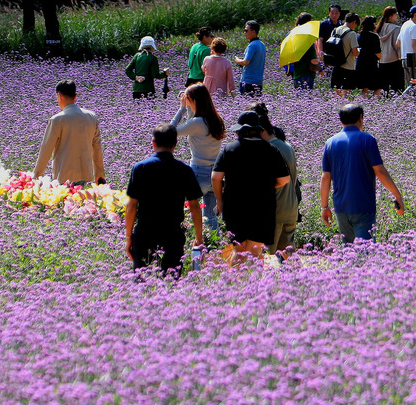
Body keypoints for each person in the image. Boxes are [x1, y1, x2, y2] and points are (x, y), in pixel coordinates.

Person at [124, 125, 205, 275]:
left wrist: (129, 236)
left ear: (153, 143)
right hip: (172, 234)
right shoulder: (185, 170)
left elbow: (132, 206)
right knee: (171, 281)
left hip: (145, 233)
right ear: (175, 144)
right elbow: (194, 207)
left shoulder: (140, 168)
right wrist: (199, 238)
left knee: (142, 283)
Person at [211, 111, 291, 259]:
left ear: (239, 131)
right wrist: (266, 186)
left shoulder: (229, 149)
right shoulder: (271, 150)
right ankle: (253, 281)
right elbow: (284, 179)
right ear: (260, 130)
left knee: (239, 250)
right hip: (262, 207)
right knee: (255, 251)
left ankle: (237, 282)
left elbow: (216, 177)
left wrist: (219, 200)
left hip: (234, 206)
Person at [319, 104, 404, 244]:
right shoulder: (368, 140)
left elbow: (326, 177)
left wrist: (324, 207)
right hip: (363, 205)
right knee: (365, 252)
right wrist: (397, 196)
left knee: (349, 251)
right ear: (361, 119)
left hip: (341, 206)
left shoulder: (330, 143)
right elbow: (380, 172)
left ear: (341, 121)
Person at [171, 83, 228, 228]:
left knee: (176, 209)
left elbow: (170, 132)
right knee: (210, 218)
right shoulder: (216, 120)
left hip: (198, 172)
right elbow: (194, 120)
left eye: (188, 99)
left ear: (194, 100)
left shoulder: (196, 123)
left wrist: (181, 109)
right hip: (215, 175)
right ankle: (211, 248)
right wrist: (189, 107)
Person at [245, 102, 299, 256]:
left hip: (274, 209)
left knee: (265, 256)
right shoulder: (286, 145)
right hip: (290, 206)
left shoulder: (268, 150)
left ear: (261, 132)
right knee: (287, 256)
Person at [33, 80, 105, 186]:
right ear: (75, 96)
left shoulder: (57, 120)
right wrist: (99, 174)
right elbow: (97, 148)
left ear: (59, 96)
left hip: (63, 175)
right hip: (85, 174)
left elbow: (46, 150)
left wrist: (37, 175)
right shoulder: (91, 117)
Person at [327, 13, 360, 96]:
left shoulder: (335, 30)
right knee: (346, 94)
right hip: (348, 66)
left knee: (337, 93)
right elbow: (355, 53)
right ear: (354, 22)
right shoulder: (352, 34)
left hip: (336, 65)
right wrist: (359, 51)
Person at [288, 13, 322, 91]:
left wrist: (288, 69)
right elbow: (313, 60)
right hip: (307, 74)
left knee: (299, 98)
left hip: (296, 73)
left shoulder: (292, 35)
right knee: (307, 98)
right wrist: (319, 64)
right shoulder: (308, 40)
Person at [376, 6, 405, 94]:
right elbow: (397, 46)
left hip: (382, 60)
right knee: (397, 87)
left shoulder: (379, 28)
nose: (397, 16)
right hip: (394, 61)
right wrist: (401, 58)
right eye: (395, 14)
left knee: (385, 87)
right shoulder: (395, 29)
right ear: (390, 16)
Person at [234, 20, 266, 97]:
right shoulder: (262, 45)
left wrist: (238, 60)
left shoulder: (252, 45)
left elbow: (246, 62)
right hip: (258, 81)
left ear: (253, 32)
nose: (245, 32)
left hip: (248, 81)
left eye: (246, 30)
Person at [398, 6, 416, 93]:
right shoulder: (414, 27)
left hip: (404, 57)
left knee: (408, 84)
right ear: (415, 15)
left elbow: (397, 43)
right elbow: (413, 45)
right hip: (411, 58)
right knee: (414, 84)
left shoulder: (404, 25)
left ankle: (407, 102)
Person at [355, 15, 381, 96]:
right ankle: (374, 103)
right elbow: (378, 52)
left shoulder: (359, 36)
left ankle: (364, 104)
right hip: (371, 65)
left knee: (365, 88)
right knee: (378, 86)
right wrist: (381, 58)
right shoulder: (374, 36)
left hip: (360, 64)